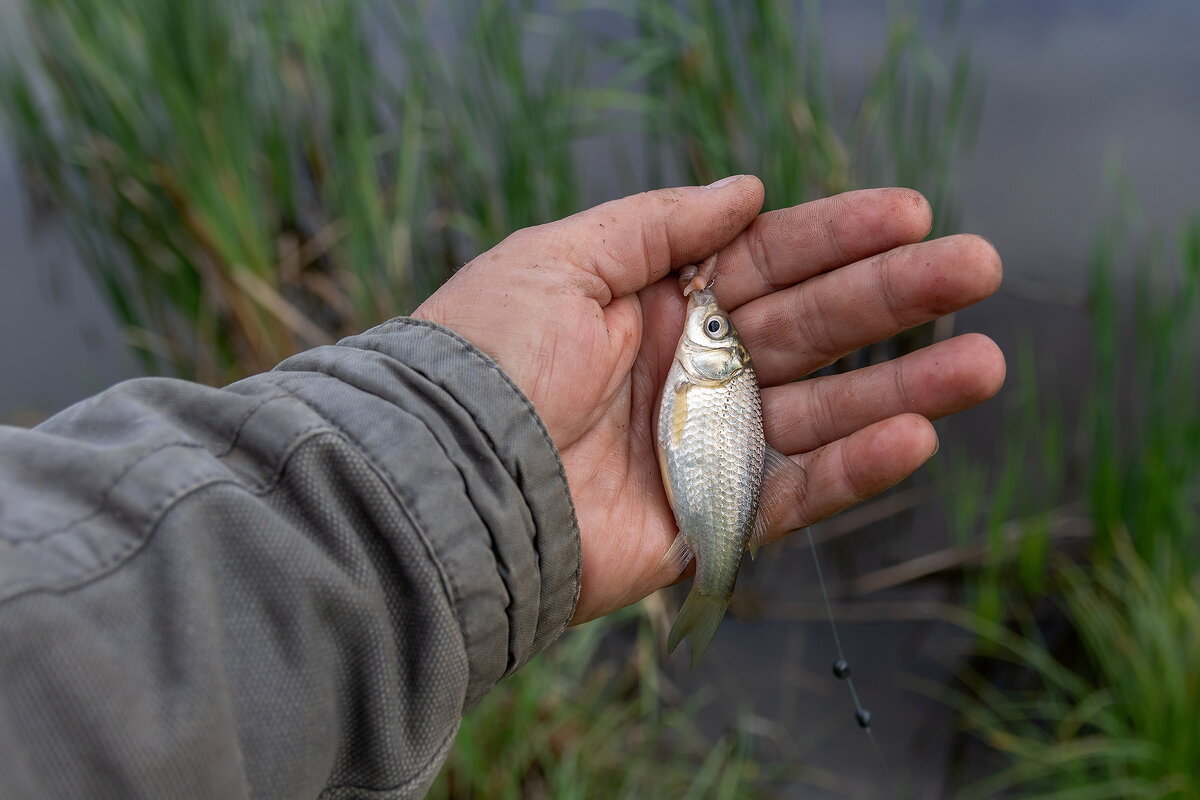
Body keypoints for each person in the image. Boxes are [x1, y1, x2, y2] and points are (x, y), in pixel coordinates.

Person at [0, 177, 1004, 799]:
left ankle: (709, 583)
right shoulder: (708, 373)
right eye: (713, 336)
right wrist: (455, 441)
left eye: (711, 338)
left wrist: (442, 448)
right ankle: (709, 583)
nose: (707, 335)